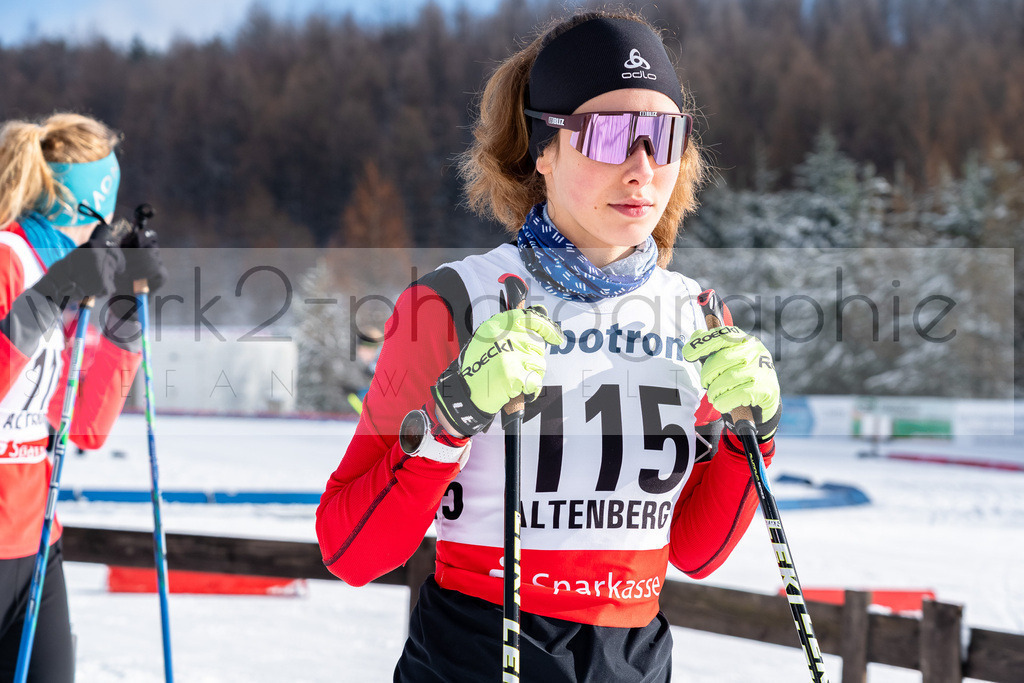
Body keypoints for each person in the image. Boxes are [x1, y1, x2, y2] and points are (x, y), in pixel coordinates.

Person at [316, 9, 781, 681]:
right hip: (479, 654)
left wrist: (754, 437)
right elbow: (350, 550)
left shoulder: (697, 313)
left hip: (634, 660)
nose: (643, 167)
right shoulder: (449, 304)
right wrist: (450, 420)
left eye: (663, 134)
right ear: (545, 148)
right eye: (611, 134)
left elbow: (694, 551)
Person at [0, 113, 166, 682]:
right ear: (73, 209)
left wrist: (124, 314)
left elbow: (87, 423)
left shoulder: (60, 282)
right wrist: (46, 299)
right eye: (99, 221)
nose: (100, 236)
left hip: (35, 541)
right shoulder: (8, 262)